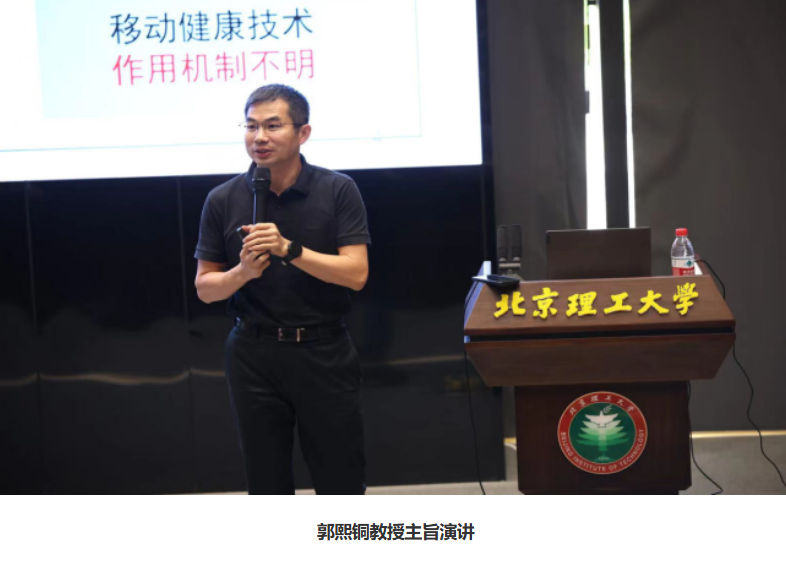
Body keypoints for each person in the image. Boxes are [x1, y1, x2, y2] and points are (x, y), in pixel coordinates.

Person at [193, 84, 370, 495]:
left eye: (273, 126)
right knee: (266, 482)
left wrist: (289, 250)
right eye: (251, 126)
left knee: (340, 479)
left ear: (303, 132)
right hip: (253, 354)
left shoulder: (337, 189)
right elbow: (205, 288)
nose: (259, 137)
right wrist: (242, 273)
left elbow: (356, 274)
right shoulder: (222, 198)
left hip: (324, 351)